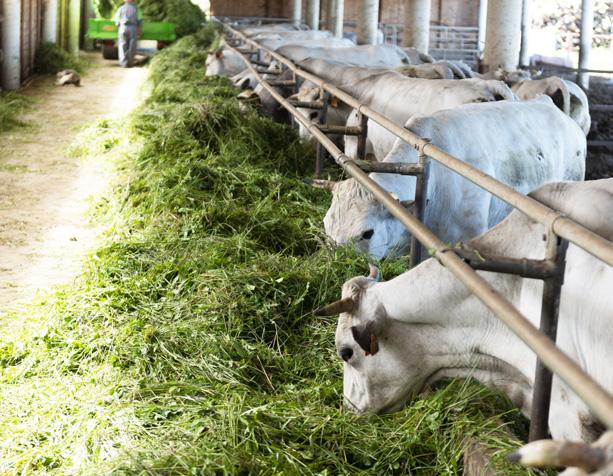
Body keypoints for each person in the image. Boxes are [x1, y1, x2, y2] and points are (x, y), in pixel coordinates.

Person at [114, 0, 143, 68]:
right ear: (133, 1)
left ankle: (123, 63)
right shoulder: (136, 9)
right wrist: (139, 30)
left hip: (123, 27)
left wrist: (119, 26)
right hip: (133, 28)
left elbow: (116, 20)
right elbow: (140, 20)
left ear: (124, 1)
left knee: (122, 45)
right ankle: (130, 63)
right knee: (132, 45)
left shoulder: (120, 8)